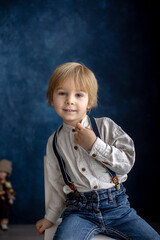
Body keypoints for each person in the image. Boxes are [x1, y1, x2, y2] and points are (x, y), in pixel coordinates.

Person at [36, 62, 159, 239]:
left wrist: (95, 144)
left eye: (79, 95)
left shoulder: (105, 126)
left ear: (90, 101)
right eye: (62, 93)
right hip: (79, 212)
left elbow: (125, 164)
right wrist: (50, 218)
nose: (70, 100)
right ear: (51, 97)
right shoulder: (54, 141)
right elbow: (57, 185)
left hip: (117, 208)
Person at [0, 159, 15, 231]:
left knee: (5, 211)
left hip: (5, 200)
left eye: (4, 172)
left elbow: (10, 191)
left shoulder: (7, 182)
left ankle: (4, 223)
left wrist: (11, 198)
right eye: (1, 172)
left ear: (7, 173)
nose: (2, 174)